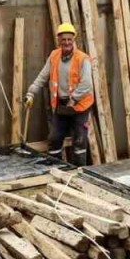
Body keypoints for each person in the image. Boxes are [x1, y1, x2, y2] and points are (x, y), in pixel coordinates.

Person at [25, 23, 94, 166]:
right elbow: (43, 77)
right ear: (59, 40)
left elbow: (86, 84)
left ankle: (79, 173)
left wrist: (74, 99)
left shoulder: (83, 59)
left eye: (69, 39)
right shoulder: (54, 56)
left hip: (80, 107)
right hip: (61, 106)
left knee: (79, 141)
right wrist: (31, 93)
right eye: (64, 39)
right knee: (55, 138)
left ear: (73, 40)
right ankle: (56, 169)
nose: (67, 42)